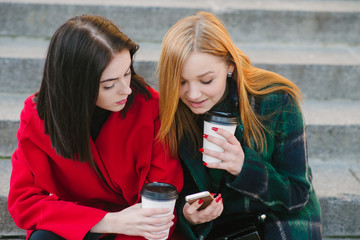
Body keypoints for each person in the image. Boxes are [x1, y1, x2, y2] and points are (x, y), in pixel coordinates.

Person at [8, 15, 183, 240]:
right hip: (78, 224)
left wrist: (122, 224)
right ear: (75, 86)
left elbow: (162, 200)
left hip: (136, 229)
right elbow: (24, 202)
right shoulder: (38, 117)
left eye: (127, 73)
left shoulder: (150, 108)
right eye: (109, 84)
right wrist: (107, 221)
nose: (126, 90)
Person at [157, 11, 322, 240]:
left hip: (277, 219)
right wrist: (188, 216)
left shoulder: (275, 101)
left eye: (206, 81)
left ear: (229, 66)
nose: (193, 94)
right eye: (180, 82)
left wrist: (244, 166)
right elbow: (169, 192)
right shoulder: (170, 110)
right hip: (218, 230)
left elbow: (297, 195)